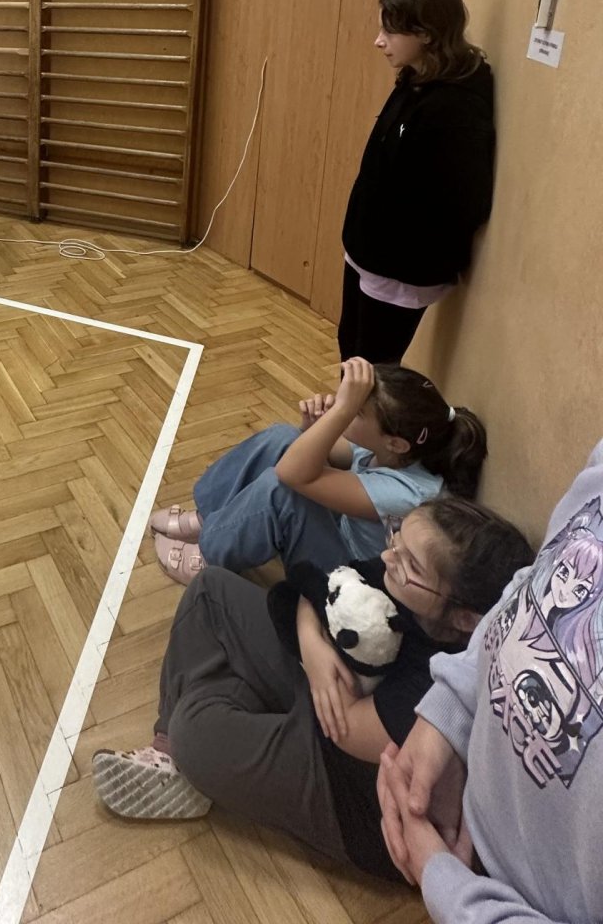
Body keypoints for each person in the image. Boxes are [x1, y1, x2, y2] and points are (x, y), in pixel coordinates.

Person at [92, 495, 533, 887]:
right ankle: (172, 756)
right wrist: (312, 644)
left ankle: (200, 740)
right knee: (210, 591)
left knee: (195, 730)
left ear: (464, 619)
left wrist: (317, 652)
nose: (388, 556)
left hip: (344, 784)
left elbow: (343, 728)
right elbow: (323, 585)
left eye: (411, 564)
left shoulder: (436, 684)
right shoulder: (395, 574)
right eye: (396, 537)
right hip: (328, 683)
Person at [378, 438, 603, 922]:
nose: (386, 558)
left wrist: (447, 886)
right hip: (450, 801)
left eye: (411, 563)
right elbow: (539, 577)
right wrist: (449, 711)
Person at [149, 357, 487, 583]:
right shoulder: (392, 451)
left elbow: (292, 475)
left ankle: (210, 557)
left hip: (351, 579)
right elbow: (306, 454)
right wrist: (314, 427)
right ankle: (209, 519)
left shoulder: (407, 495)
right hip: (339, 532)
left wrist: (339, 413)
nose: (345, 409)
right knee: (284, 437)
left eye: (357, 413)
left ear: (396, 443)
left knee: (283, 492)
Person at [341, 0, 495, 362]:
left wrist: (398, 235)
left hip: (400, 267)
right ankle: (346, 403)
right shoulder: (416, 78)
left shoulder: (457, 107)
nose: (379, 41)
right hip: (367, 250)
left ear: (426, 33)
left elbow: (466, 202)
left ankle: (357, 405)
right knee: (351, 350)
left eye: (390, 32)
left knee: (374, 368)